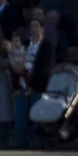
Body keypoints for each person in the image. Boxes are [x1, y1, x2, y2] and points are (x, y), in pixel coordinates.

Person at [14, 20, 53, 148]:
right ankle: (21, 141)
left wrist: (27, 65)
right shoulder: (24, 45)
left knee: (37, 115)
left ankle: (36, 141)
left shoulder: (47, 45)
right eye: (31, 26)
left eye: (36, 26)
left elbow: (43, 65)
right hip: (23, 85)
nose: (33, 28)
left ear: (42, 29)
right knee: (21, 115)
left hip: (37, 86)